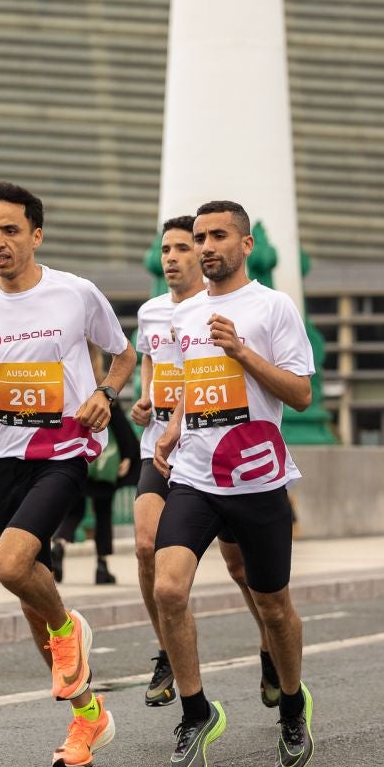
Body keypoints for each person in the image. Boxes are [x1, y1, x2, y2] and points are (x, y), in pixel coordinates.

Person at [0, 181, 136, 767]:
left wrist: (105, 392)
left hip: (64, 450)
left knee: (10, 564)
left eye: (10, 230)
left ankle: (69, 626)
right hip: (3, 455)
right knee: (27, 596)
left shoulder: (75, 294)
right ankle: (88, 720)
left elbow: (124, 354)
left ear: (36, 235)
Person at [152, 201, 315, 767]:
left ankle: (293, 707)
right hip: (196, 477)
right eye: (199, 237)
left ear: (246, 245)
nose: (206, 246)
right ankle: (197, 713)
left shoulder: (273, 308)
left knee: (273, 606)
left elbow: (299, 395)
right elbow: (191, 386)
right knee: (168, 586)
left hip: (257, 478)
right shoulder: (186, 314)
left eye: (219, 235)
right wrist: (172, 427)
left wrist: (243, 352)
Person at [131, 216, 284, 710]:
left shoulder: (236, 308)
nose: (173, 257)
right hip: (167, 450)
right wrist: (147, 403)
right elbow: (155, 370)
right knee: (146, 547)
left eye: (185, 246)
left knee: (242, 570)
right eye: (169, 248)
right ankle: (169, 658)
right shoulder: (154, 313)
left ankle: (270, 648)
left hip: (229, 456)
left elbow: (290, 389)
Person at [51, 345, 141, 585]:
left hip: (74, 458)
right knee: (103, 514)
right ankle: (102, 568)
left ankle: (59, 545)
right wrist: (129, 456)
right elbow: (121, 428)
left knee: (73, 511)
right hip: (102, 462)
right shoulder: (103, 391)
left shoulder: (67, 388)